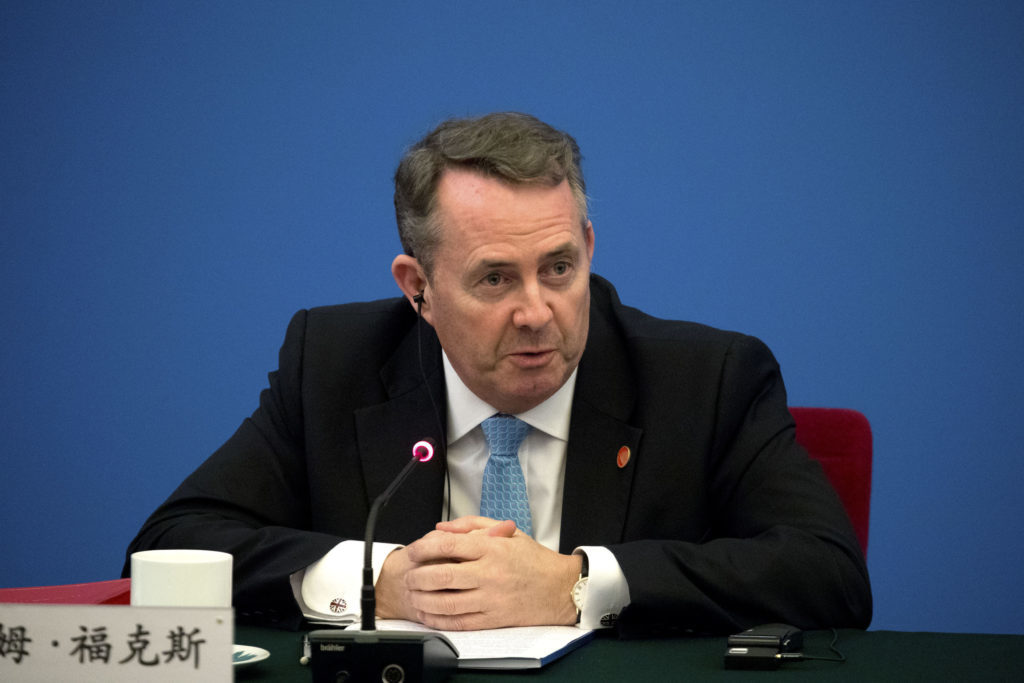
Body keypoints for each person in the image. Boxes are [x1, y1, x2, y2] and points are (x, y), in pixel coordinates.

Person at [124, 112, 871, 637]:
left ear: (588, 246)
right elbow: (168, 549)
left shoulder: (705, 378)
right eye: (494, 280)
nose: (537, 311)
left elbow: (827, 572)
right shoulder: (334, 363)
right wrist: (383, 581)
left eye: (558, 267)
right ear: (417, 286)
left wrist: (576, 582)